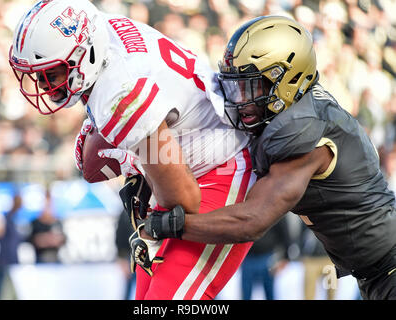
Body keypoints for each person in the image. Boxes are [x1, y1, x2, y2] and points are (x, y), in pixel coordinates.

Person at [9, 0, 255, 300]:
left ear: (84, 56)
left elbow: (184, 200)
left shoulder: (120, 94)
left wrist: (136, 158)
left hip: (219, 170)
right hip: (193, 156)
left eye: (52, 71)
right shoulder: (102, 29)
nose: (43, 83)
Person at [140, 16, 396, 300]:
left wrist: (169, 224)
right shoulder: (296, 112)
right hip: (378, 271)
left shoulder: (304, 132)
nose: (238, 99)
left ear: (288, 79)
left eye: (251, 86)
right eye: (234, 86)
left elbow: (251, 220)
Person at [28, 189, 66, 263]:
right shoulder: (35, 223)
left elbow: (64, 239)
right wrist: (41, 240)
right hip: (40, 258)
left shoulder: (57, 222)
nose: (48, 208)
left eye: (50, 205)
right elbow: (29, 240)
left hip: (56, 259)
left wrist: (58, 239)